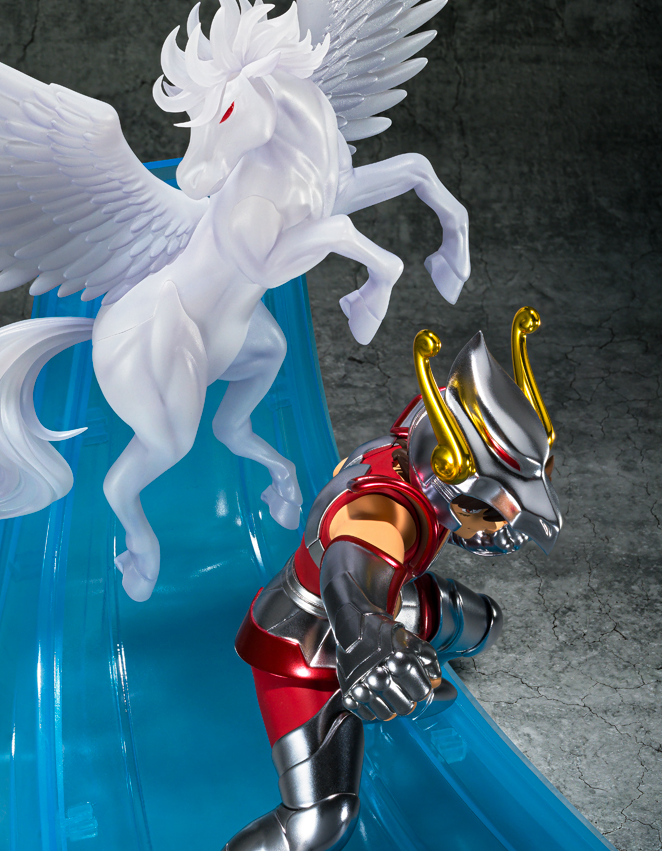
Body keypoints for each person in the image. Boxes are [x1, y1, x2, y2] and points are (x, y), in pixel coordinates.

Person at [225, 308, 561, 851]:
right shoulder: (383, 518)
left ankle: (418, 678)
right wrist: (370, 642)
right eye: (495, 512)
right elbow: (348, 577)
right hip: (305, 641)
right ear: (450, 479)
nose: (503, 531)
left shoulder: (414, 447)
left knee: (482, 623)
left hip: (385, 598)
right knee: (320, 822)